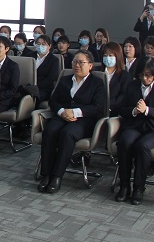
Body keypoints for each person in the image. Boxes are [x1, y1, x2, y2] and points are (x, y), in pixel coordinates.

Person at [37, 50, 106, 194]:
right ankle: (46, 174)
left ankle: (56, 176)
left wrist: (74, 112)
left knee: (67, 134)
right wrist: (62, 111)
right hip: (62, 116)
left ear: (90, 65)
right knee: (49, 131)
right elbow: (53, 101)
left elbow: (98, 107)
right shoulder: (65, 80)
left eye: (81, 62)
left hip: (83, 121)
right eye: (75, 62)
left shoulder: (97, 83)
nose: (77, 65)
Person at [114, 58, 154, 205]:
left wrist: (147, 110)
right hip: (135, 125)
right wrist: (134, 111)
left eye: (148, 75)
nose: (145, 78)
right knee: (124, 142)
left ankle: (139, 188)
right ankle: (124, 185)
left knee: (143, 146)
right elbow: (121, 108)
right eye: (142, 75)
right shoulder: (132, 85)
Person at [100, 42, 132, 115]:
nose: (108, 58)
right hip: (95, 109)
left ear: (117, 56)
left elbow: (123, 97)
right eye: (105, 55)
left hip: (113, 111)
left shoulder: (125, 76)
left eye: (111, 55)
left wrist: (106, 106)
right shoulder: (97, 72)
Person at [34, 35, 60, 103]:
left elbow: (51, 78)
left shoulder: (54, 60)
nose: (40, 46)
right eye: (38, 44)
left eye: (43, 44)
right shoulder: (30, 56)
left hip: (44, 89)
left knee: (34, 97)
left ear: (49, 46)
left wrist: (36, 85)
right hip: (28, 86)